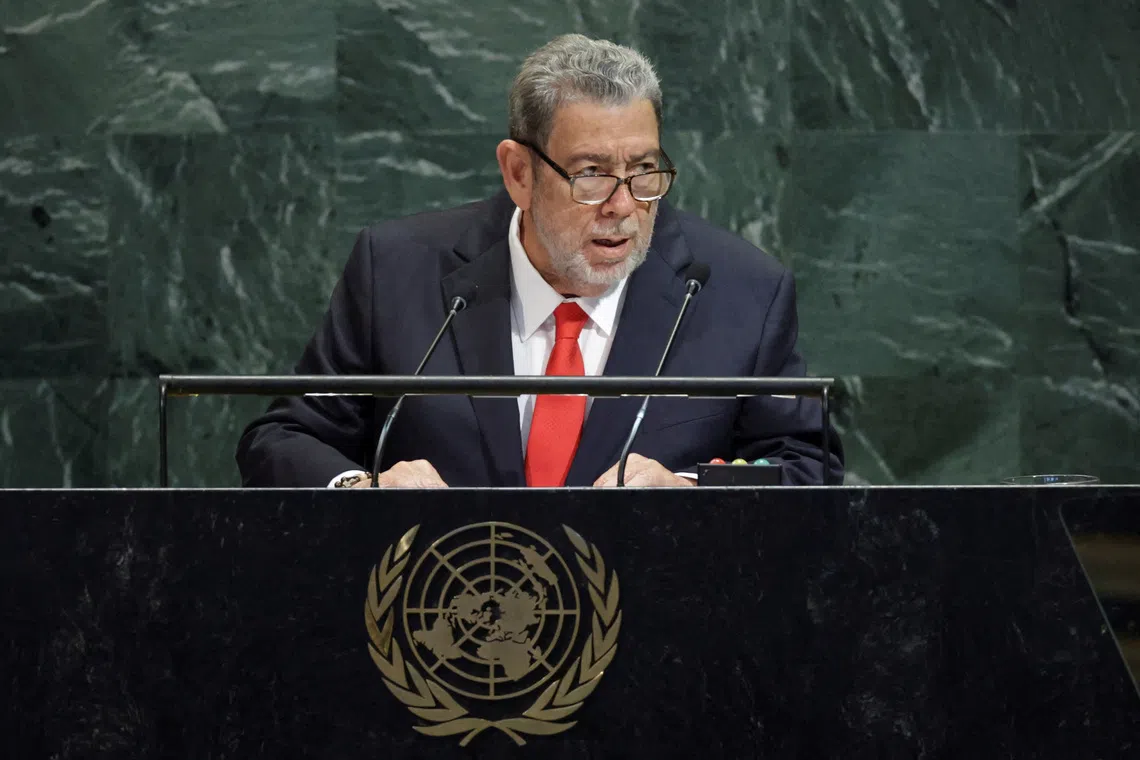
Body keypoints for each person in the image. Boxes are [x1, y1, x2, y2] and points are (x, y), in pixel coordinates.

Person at [235, 34, 843, 489]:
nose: (624, 207)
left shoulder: (741, 293)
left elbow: (807, 466)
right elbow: (284, 437)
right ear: (519, 173)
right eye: (591, 174)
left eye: (644, 171)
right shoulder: (396, 270)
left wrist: (689, 490)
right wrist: (360, 491)